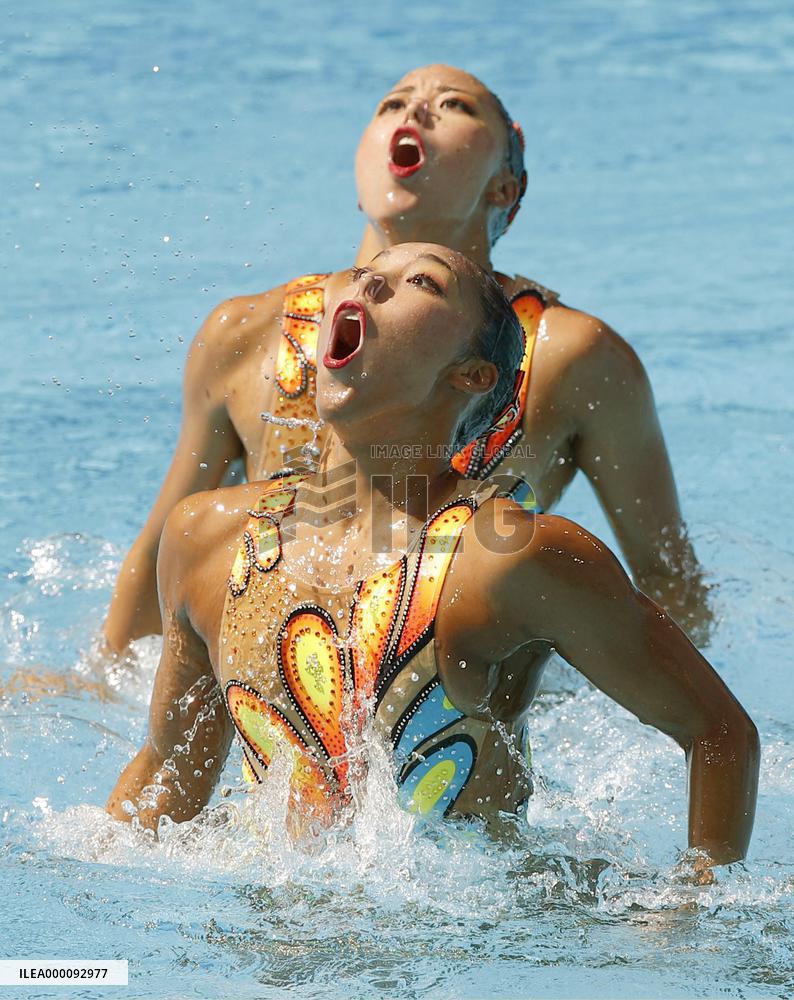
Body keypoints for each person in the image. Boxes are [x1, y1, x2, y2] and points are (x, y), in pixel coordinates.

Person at [107, 245, 758, 871]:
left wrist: (691, 909)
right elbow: (166, 781)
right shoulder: (208, 539)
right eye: (364, 272)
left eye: (423, 281)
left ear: (472, 376)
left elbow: (720, 733)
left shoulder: (509, 558)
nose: (369, 283)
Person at [103, 64, 710, 655]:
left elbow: (669, 579)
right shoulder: (245, 335)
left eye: (455, 105)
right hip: (278, 690)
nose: (416, 109)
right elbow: (168, 553)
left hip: (462, 713)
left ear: (505, 186)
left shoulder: (570, 356)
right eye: (391, 103)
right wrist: (103, 681)